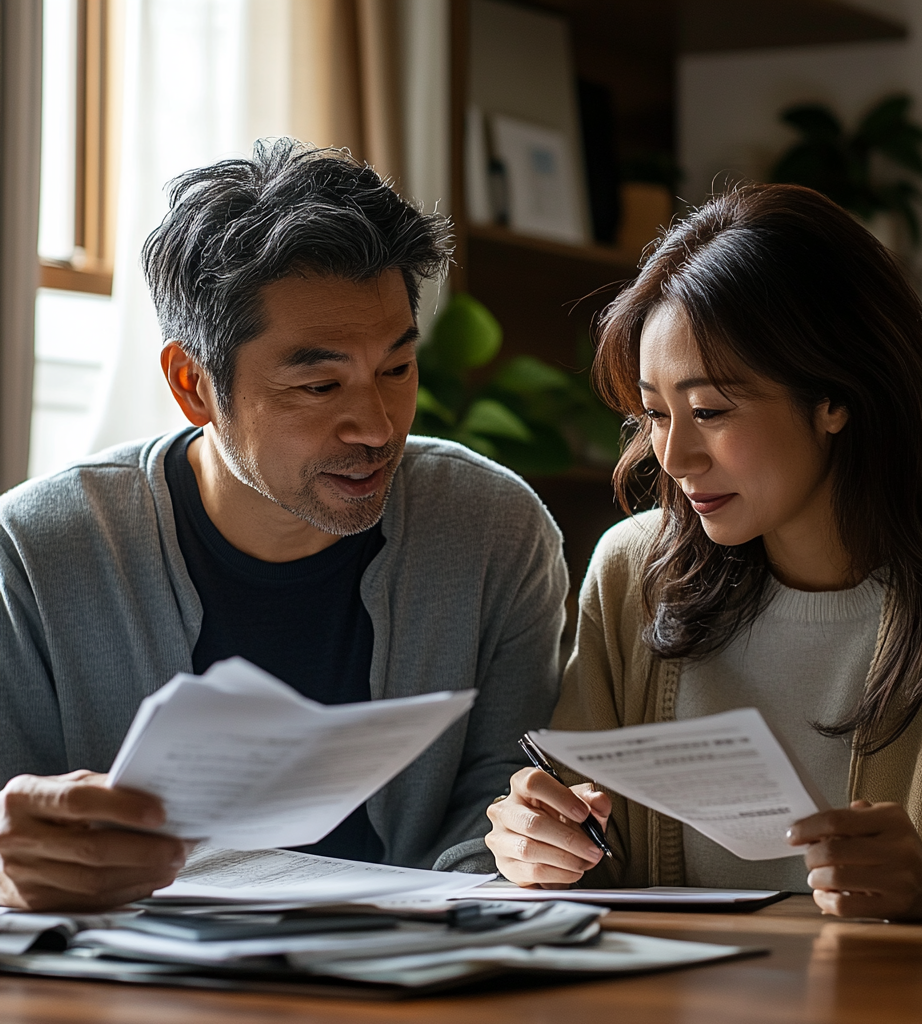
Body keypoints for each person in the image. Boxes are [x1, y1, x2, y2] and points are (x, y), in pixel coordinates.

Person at [0, 139, 567, 912]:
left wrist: (520, 851)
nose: (375, 425)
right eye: (319, 383)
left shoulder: (494, 530)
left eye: (397, 368)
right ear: (193, 384)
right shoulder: (38, 549)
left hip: (414, 978)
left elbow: (500, 798)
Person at [486, 183, 922, 920]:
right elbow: (585, 851)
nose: (673, 456)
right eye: (654, 413)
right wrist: (537, 845)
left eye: (710, 411)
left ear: (835, 396)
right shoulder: (632, 576)